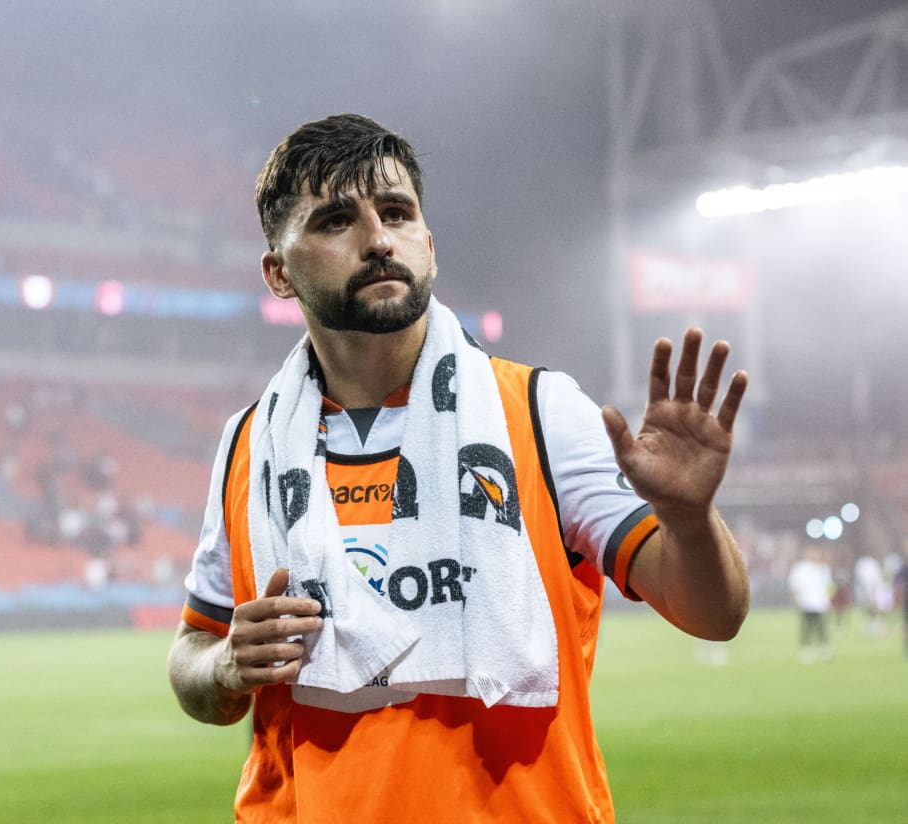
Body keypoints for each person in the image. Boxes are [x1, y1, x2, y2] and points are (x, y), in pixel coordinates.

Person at [167, 114, 750, 823]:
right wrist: (226, 664)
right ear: (278, 273)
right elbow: (193, 655)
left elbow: (715, 614)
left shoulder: (538, 413)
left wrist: (689, 522)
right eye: (335, 221)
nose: (378, 240)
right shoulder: (248, 444)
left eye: (397, 213)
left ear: (430, 247)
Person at [787, 546, 834, 663]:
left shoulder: (823, 568)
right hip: (806, 602)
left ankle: (824, 648)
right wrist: (797, 599)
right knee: (807, 627)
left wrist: (828, 599)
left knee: (821, 627)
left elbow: (828, 586)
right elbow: (794, 585)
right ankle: (805, 649)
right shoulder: (800, 569)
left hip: (820, 603)